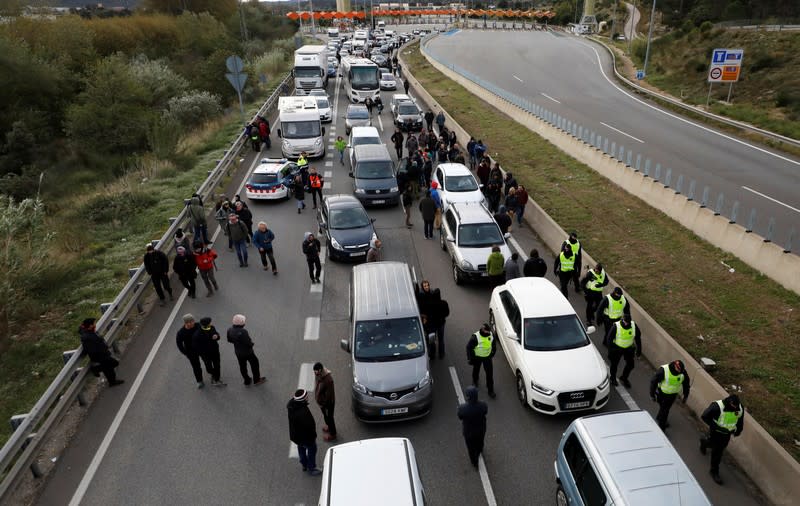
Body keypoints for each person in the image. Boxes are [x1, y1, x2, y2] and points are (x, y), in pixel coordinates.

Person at [700, 395, 744, 485]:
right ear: (729, 402)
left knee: (718, 449)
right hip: (716, 432)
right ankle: (714, 472)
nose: (735, 408)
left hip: (727, 434)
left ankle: (704, 442)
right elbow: (704, 416)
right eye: (734, 406)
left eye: (737, 406)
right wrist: (716, 427)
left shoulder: (739, 408)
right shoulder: (717, 406)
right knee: (717, 452)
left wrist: (738, 431)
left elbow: (740, 420)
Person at [79, 318, 123, 386]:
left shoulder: (90, 332)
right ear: (90, 326)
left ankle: (111, 381)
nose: (95, 325)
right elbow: (90, 349)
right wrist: (99, 356)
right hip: (101, 356)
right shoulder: (86, 337)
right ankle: (97, 369)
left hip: (103, 354)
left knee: (108, 368)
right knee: (113, 364)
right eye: (93, 323)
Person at [287, 389, 322, 476]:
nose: (308, 397)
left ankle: (304, 464)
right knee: (312, 450)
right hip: (306, 438)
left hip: (297, 436)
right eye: (306, 397)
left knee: (301, 449)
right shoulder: (302, 412)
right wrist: (313, 437)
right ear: (303, 400)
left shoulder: (292, 406)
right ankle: (312, 468)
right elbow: (308, 427)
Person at [650, 360, 690, 430]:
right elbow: (654, 382)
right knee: (664, 409)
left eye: (680, 371)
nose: (679, 373)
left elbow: (686, 384)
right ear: (675, 366)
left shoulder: (682, 372)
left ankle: (661, 422)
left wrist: (685, 396)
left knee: (665, 409)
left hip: (672, 395)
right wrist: (652, 394)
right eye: (678, 370)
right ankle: (661, 423)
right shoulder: (664, 370)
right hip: (662, 393)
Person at [227, 314, 266, 386]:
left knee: (242, 366)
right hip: (248, 352)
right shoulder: (243, 331)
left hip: (238, 352)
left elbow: (229, 340)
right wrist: (251, 344)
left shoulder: (229, 330)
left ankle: (247, 380)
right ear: (241, 323)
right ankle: (256, 380)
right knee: (254, 364)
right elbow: (248, 342)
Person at [606, 314, 641, 388]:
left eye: (628, 322)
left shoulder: (634, 326)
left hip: (628, 349)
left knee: (631, 365)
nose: (626, 323)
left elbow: (638, 338)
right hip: (617, 348)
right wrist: (610, 351)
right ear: (622, 320)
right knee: (614, 364)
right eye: (625, 321)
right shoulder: (616, 326)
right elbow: (609, 339)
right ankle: (613, 378)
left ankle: (624, 377)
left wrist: (639, 350)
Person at [457, 386, 488, 469]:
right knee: (480, 442)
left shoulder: (462, 408)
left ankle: (475, 463)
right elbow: (485, 412)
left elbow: (460, 417)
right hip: (481, 430)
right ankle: (479, 450)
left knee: (471, 449)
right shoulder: (483, 405)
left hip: (469, 433)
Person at [192, 317, 225, 386]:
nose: (211, 323)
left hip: (215, 351)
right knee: (209, 368)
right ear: (206, 324)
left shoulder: (212, 327)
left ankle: (217, 379)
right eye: (210, 322)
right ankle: (213, 374)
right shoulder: (197, 334)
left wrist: (217, 336)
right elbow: (196, 346)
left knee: (217, 365)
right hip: (205, 354)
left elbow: (217, 335)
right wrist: (201, 353)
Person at [466, 323, 497, 398]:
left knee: (489, 374)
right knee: (476, 370)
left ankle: (490, 390)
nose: (489, 333)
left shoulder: (491, 335)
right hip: (477, 357)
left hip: (487, 357)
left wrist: (491, 354)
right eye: (487, 331)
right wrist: (470, 358)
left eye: (489, 331)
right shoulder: (475, 337)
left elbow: (494, 346)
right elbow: (468, 347)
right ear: (483, 330)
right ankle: (475, 381)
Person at [176, 314, 204, 388]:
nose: (192, 323)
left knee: (207, 361)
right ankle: (199, 381)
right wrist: (186, 353)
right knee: (196, 367)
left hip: (202, 348)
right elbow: (179, 344)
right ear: (185, 323)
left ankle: (212, 372)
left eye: (192, 321)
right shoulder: (181, 333)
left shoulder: (198, 325)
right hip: (191, 352)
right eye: (190, 322)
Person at [313, 362, 337, 442]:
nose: (315, 373)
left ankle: (333, 434)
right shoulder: (319, 375)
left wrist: (323, 405)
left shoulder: (328, 380)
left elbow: (329, 396)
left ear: (320, 370)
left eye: (316, 371)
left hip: (327, 404)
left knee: (329, 418)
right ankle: (328, 426)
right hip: (322, 403)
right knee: (326, 416)